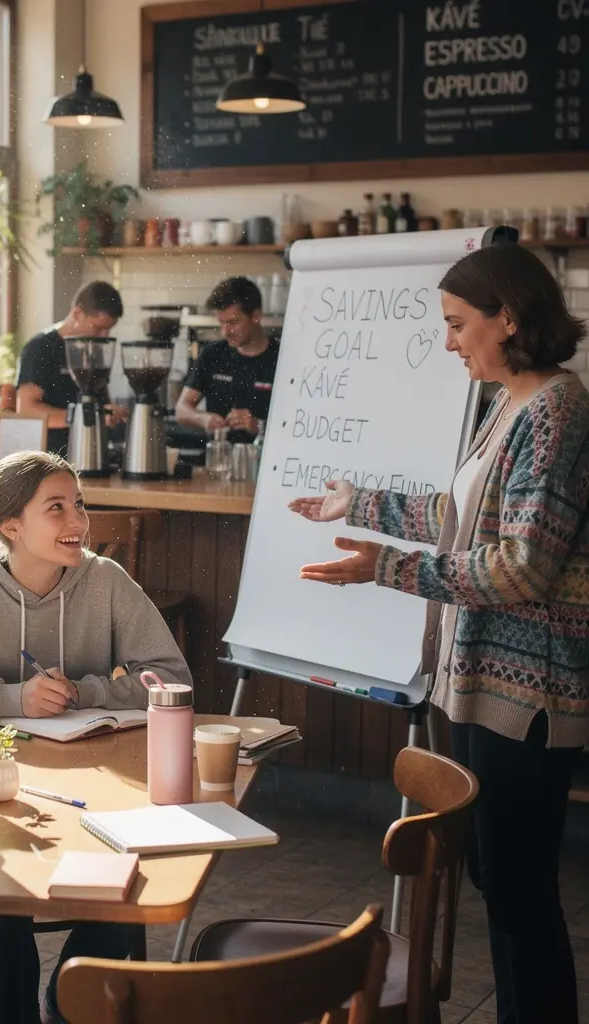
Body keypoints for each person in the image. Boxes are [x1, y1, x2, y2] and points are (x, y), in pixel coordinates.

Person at [289, 243, 588, 1024]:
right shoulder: (509, 402)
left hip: (528, 692)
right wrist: (359, 503)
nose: (449, 342)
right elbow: (462, 518)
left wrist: (388, 568)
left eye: (458, 324)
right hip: (484, 683)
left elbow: (522, 566)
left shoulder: (556, 412)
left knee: (519, 890)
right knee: (498, 878)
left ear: (508, 318)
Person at [0, 450, 191, 1023]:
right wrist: (13, 698)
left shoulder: (105, 581)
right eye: (57, 508)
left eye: (80, 504)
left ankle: (65, 1002)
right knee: (0, 888)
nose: (78, 521)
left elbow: (171, 678)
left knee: (132, 875)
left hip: (96, 783)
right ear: (11, 526)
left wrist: (89, 692)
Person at [16, 280, 126, 454]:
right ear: (77, 314)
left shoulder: (93, 348)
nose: (105, 335)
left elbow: (102, 402)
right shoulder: (40, 348)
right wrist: (81, 417)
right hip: (51, 457)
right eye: (99, 328)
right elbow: (27, 410)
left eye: (109, 329)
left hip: (90, 452)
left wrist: (110, 415)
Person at [175, 276, 279, 441]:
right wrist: (203, 419)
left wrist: (259, 426)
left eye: (233, 322)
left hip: (264, 456)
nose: (225, 332)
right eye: (221, 323)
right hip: (218, 454)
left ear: (256, 316)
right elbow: (182, 409)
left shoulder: (282, 359)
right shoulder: (212, 354)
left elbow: (298, 422)